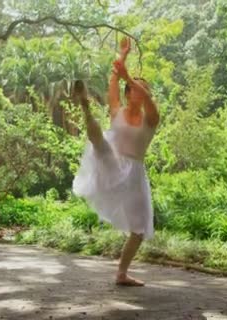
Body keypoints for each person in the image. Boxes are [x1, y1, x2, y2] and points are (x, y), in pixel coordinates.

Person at [72, 38, 160, 286]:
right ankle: (86, 108)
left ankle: (122, 273)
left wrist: (129, 76)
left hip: (134, 174)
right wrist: (122, 55)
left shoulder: (151, 119)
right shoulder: (116, 109)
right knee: (100, 144)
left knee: (139, 229)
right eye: (134, 87)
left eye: (145, 89)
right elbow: (114, 79)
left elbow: (131, 85)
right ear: (128, 93)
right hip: (111, 160)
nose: (140, 91)